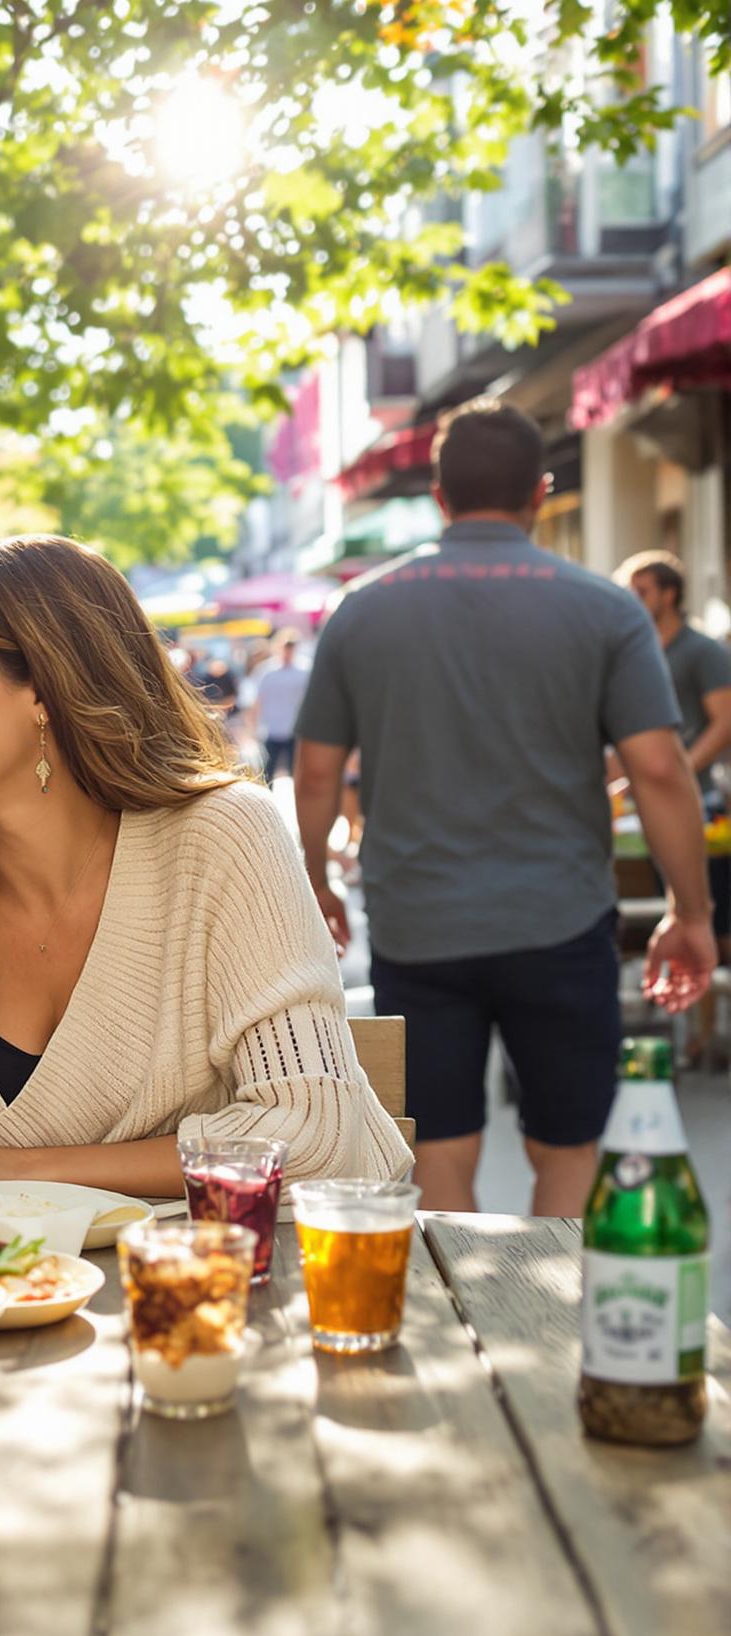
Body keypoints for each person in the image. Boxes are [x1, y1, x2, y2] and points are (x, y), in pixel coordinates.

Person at [0, 535, 406, 1201]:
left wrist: (15, 1169)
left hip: (226, 1286)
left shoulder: (224, 836)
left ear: (42, 687)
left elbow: (312, 1134)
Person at [296, 399, 714, 1216]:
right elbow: (660, 771)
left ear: (440, 496)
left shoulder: (365, 609)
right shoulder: (608, 609)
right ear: (542, 491)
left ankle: (467, 1320)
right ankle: (556, 1320)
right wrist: (688, 911)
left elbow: (315, 774)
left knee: (439, 1142)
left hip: (419, 925)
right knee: (568, 1142)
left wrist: (315, 881)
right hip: (559, 920)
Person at [617, 549, 731, 970]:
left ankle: (711, 1031)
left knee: (713, 920)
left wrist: (682, 767)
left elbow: (725, 721)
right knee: (669, 911)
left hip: (700, 802)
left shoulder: (702, 650)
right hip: (648, 799)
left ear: (670, 594)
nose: (634, 596)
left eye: (643, 590)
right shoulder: (637, 649)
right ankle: (692, 1027)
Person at [247, 632, 311, 780]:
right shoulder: (266, 671)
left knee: (297, 773)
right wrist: (253, 728)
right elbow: (256, 702)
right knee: (267, 773)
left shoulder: (305, 670)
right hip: (271, 730)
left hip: (295, 730)